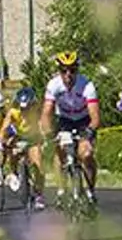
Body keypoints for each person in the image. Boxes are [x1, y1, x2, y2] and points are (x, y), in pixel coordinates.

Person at [40, 50, 101, 206]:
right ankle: (61, 190)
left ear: (77, 70)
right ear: (59, 71)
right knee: (60, 151)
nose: (68, 75)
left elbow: (95, 116)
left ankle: (90, 190)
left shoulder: (86, 85)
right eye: (64, 70)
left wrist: (89, 133)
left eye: (72, 70)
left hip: (83, 121)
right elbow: (46, 113)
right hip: (65, 120)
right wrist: (48, 133)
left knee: (86, 154)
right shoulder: (53, 85)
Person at [0, 86, 42, 208]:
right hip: (18, 137)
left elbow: (43, 124)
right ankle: (13, 172)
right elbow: (4, 129)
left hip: (32, 138)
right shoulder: (13, 112)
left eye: (27, 107)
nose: (24, 110)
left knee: (38, 164)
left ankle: (39, 195)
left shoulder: (37, 110)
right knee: (12, 151)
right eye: (22, 108)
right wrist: (1, 141)